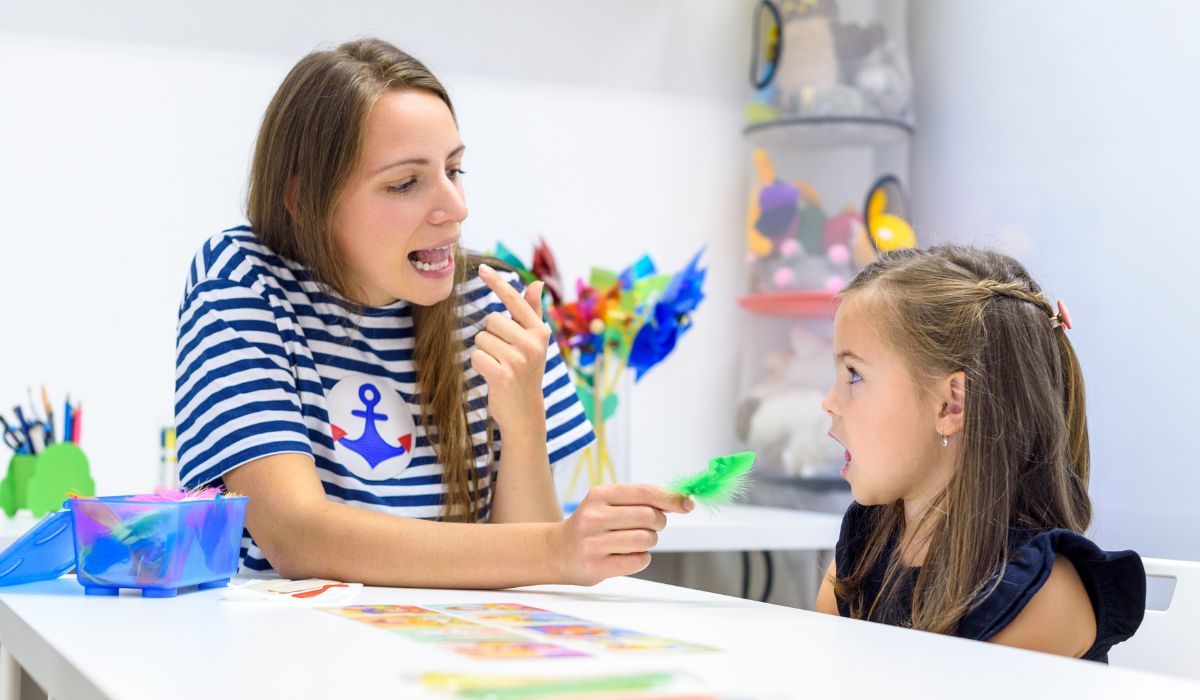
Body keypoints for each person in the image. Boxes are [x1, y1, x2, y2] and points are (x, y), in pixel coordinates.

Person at [174, 37, 692, 588]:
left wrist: (524, 423)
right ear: (305, 203)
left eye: (454, 169)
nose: (456, 209)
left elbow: (533, 583)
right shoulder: (242, 277)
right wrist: (556, 547)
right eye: (405, 183)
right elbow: (298, 536)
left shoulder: (493, 304)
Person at [815, 246, 1144, 661]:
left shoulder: (1039, 593)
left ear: (951, 404)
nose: (829, 401)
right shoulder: (865, 547)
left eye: (854, 374)